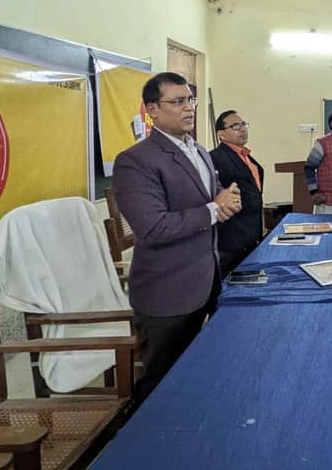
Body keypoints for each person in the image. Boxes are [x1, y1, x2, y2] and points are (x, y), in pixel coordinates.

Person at [112, 72, 241, 408]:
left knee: (197, 373)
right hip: (167, 290)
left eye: (191, 100)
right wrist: (214, 209)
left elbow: (211, 199)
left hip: (206, 280)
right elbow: (153, 228)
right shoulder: (136, 161)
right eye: (178, 101)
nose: (189, 108)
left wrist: (226, 200)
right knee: (161, 382)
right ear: (152, 109)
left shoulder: (198, 150)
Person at [210, 110, 264, 279]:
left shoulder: (247, 157)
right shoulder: (215, 158)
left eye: (243, 125)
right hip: (231, 240)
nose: (242, 129)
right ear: (221, 134)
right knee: (228, 287)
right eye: (235, 126)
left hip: (251, 236)